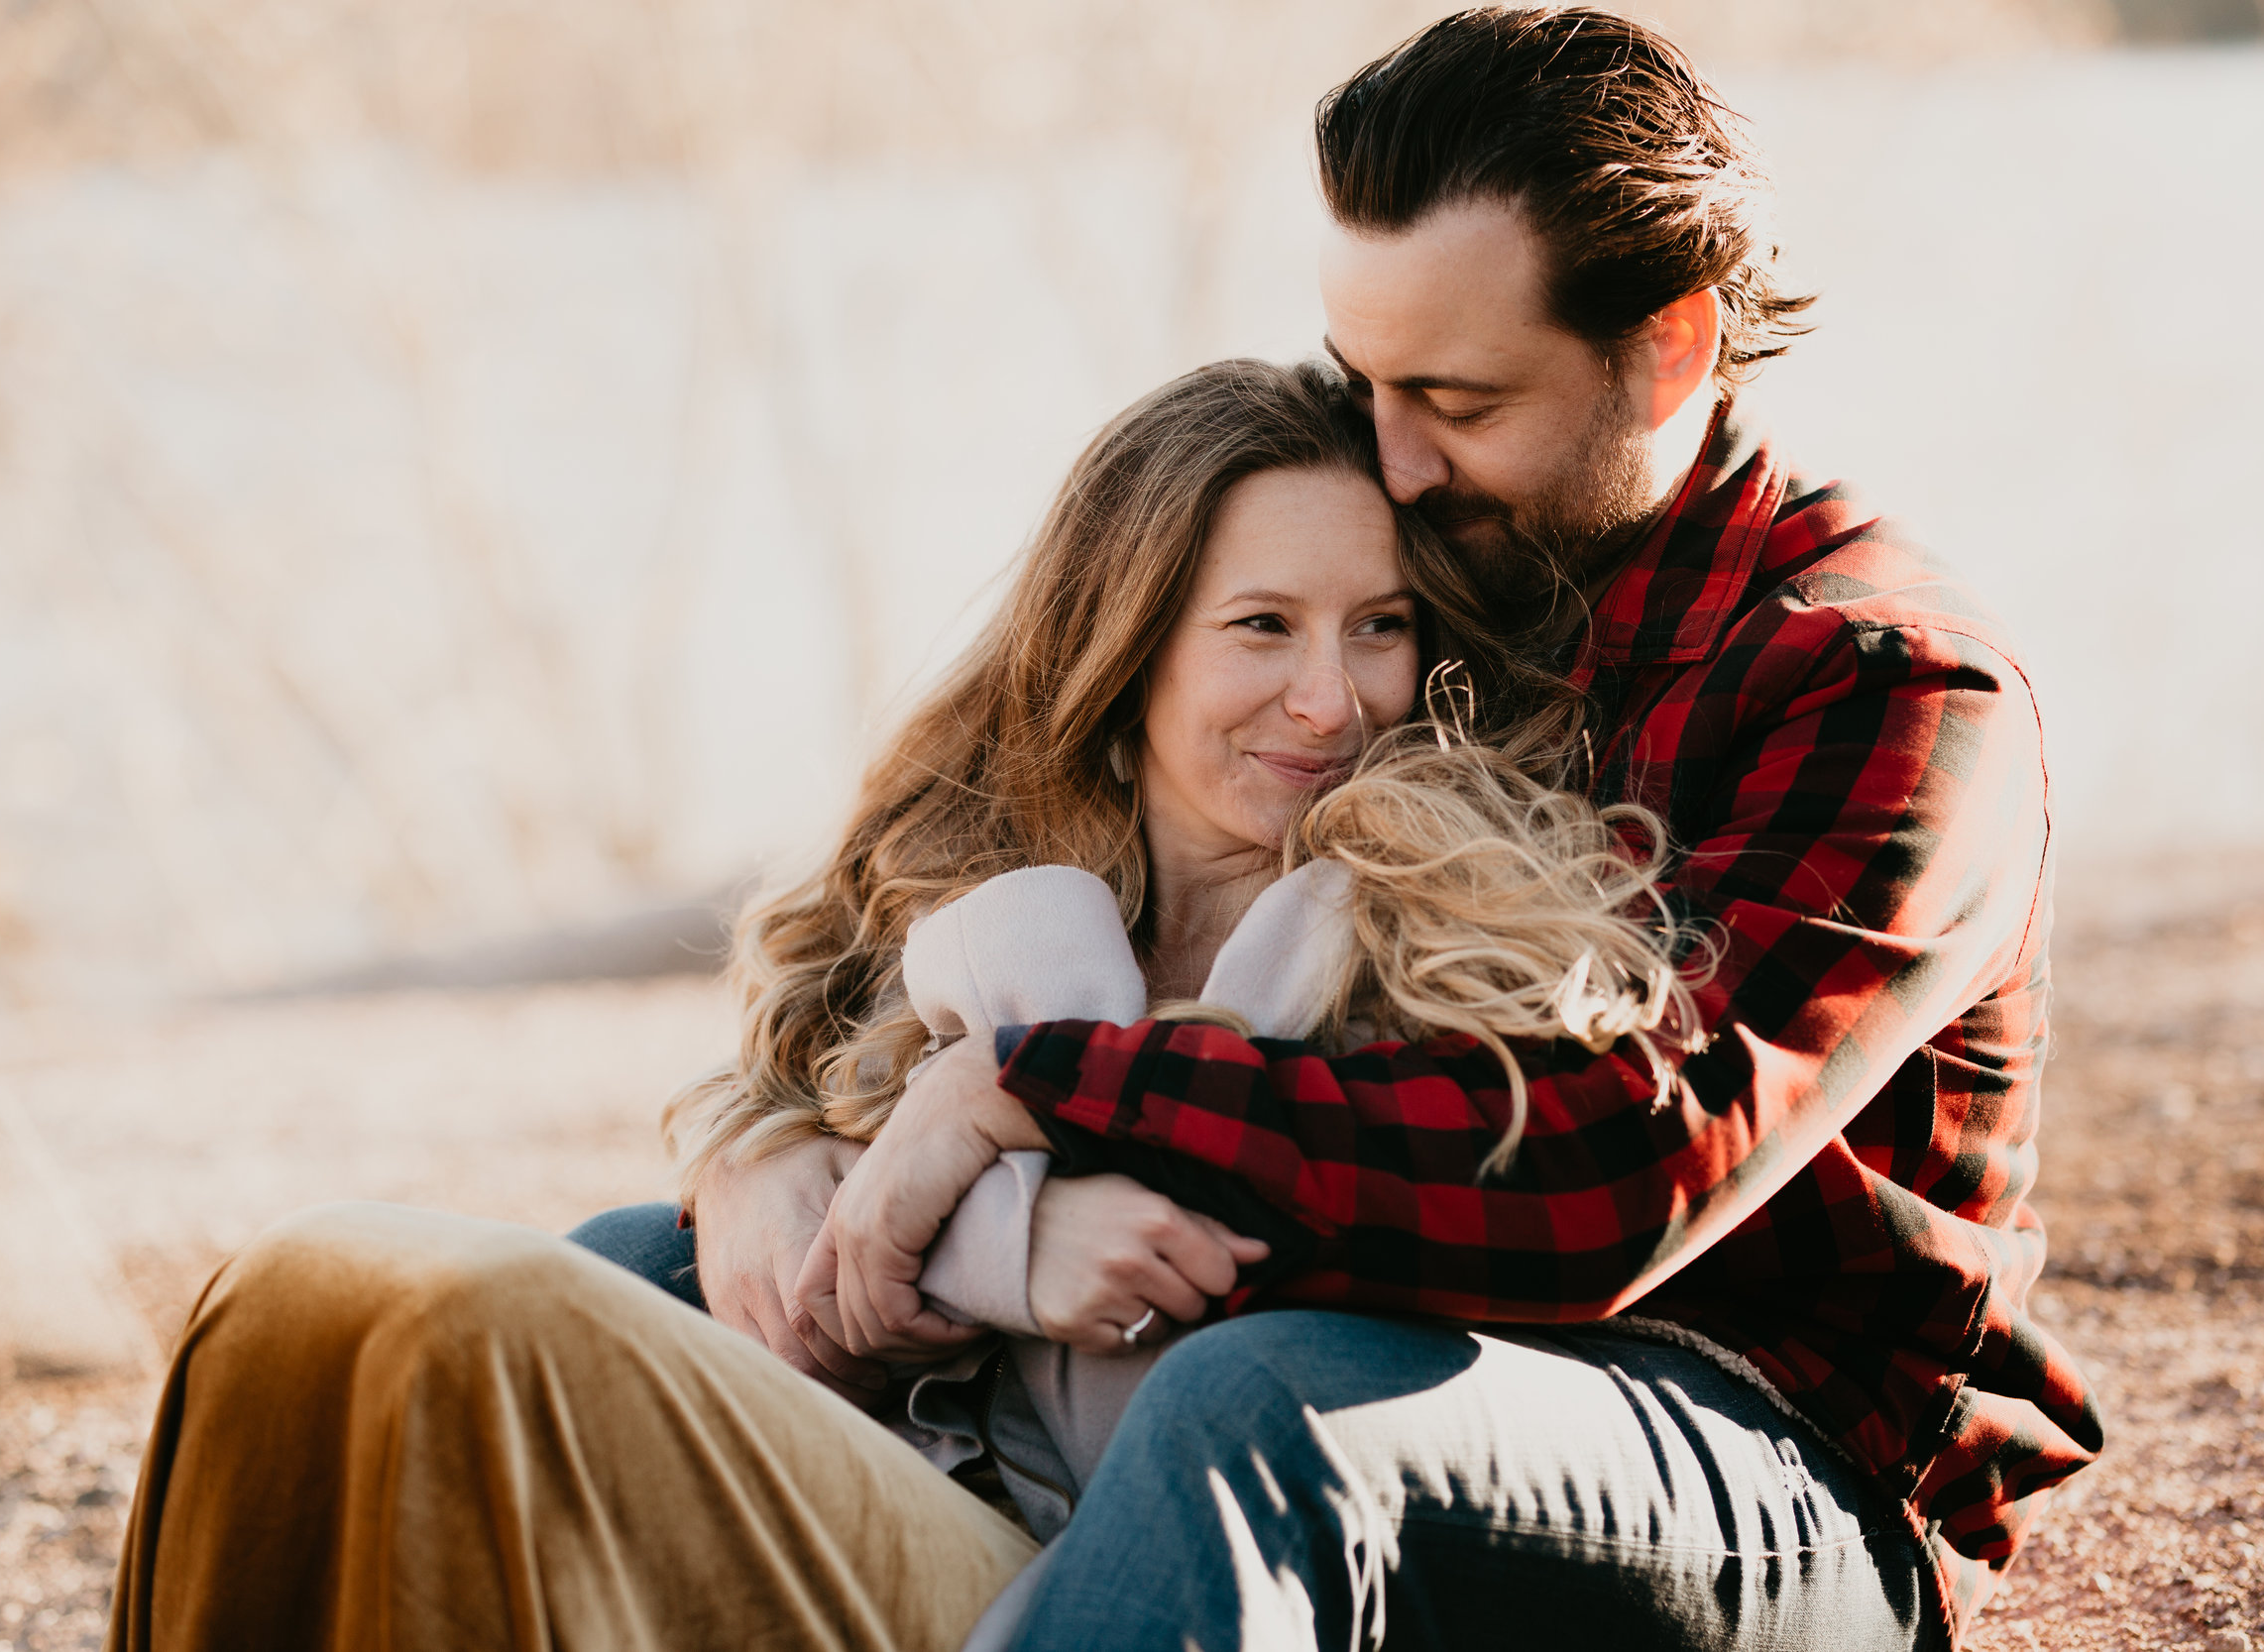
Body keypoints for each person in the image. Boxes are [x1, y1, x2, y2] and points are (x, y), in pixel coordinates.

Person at [740, 9, 2101, 1650]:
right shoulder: (1441, 571)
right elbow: (988, 809)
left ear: (1669, 347)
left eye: (1451, 394)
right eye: (1361, 378)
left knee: (1261, 1416)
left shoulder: (1886, 686)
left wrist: (1024, 1088)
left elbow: (1621, 1171)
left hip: (1773, 1457)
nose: (1390, 454)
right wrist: (753, 1152)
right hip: (1369, 1335)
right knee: (646, 1285)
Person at [105, 358, 1713, 1652]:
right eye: (1262, 627)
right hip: (936, 1480)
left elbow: (1258, 1257)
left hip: (1177, 1555)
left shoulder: (1441, 918)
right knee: (422, 1285)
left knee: (512, 1311)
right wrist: (759, 1151)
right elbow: (807, 1153)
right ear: (1128, 646)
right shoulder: (991, 894)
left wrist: (975, 1226)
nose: (1330, 698)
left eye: (1381, 628)